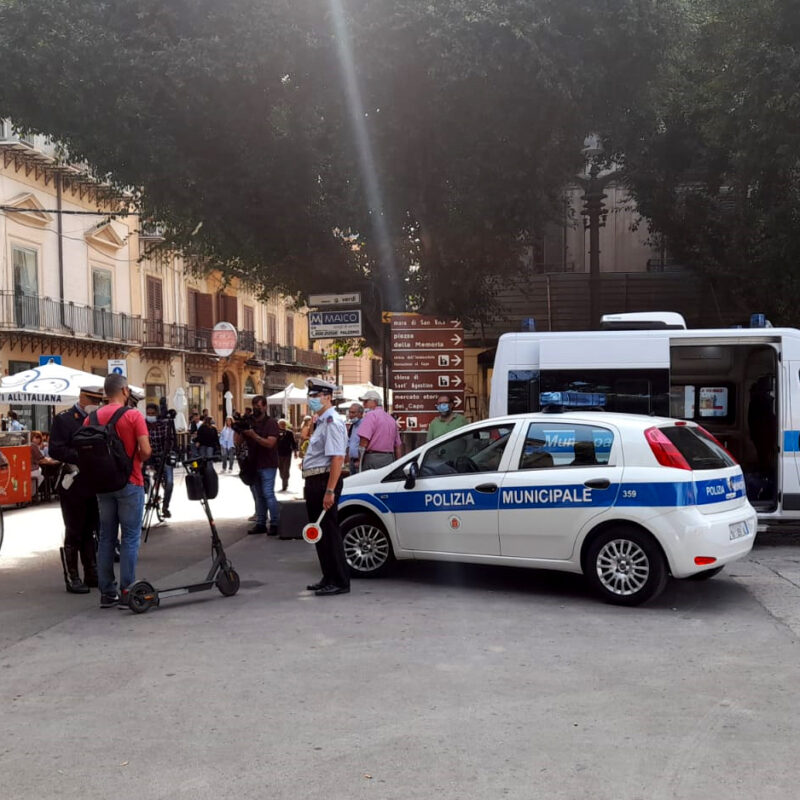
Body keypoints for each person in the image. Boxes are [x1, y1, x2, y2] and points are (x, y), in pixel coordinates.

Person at [88, 374, 152, 608]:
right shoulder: (133, 415)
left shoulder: (91, 417)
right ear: (125, 391)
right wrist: (138, 458)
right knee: (130, 537)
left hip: (103, 485)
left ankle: (107, 592)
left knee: (106, 537)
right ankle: (128, 591)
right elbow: (145, 450)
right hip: (130, 481)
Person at [48, 385, 105, 594]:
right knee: (74, 530)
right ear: (82, 398)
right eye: (92, 400)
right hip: (72, 480)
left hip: (91, 480)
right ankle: (72, 576)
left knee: (90, 528)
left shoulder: (97, 418)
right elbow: (55, 448)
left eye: (98, 401)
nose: (96, 404)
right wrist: (81, 456)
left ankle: (91, 572)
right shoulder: (64, 419)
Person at [302, 378, 349, 596]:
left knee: (329, 532)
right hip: (314, 480)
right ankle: (328, 576)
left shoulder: (332, 422)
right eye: (310, 396)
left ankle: (339, 580)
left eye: (315, 396)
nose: (311, 400)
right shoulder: (321, 421)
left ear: (328, 397)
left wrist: (330, 490)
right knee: (319, 533)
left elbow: (337, 458)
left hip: (323, 481)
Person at [236, 395, 280, 535]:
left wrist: (254, 435)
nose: (256, 409)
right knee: (259, 495)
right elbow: (237, 442)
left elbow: (270, 443)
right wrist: (240, 428)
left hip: (268, 464)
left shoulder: (271, 423)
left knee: (268, 494)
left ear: (265, 407)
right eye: (254, 406)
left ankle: (275, 523)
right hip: (254, 464)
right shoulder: (250, 422)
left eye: (259, 407)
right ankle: (261, 523)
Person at [144, 403, 176, 518]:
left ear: (157, 414)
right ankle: (153, 498)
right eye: (148, 413)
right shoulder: (143, 424)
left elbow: (170, 440)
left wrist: (166, 451)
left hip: (164, 457)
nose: (150, 416)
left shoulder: (163, 425)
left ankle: (165, 506)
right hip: (150, 458)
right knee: (150, 479)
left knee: (170, 482)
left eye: (152, 413)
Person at [357, 390, 402, 470]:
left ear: (374, 402)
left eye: (366, 402)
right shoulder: (391, 419)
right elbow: (398, 445)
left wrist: (360, 461)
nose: (363, 405)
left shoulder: (371, 415)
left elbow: (363, 441)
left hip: (372, 459)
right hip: (389, 459)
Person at [276, 419, 297, 492]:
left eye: (283, 424)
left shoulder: (289, 433)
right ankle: (283, 479)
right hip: (278, 453)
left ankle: (285, 483)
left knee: (286, 469)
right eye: (281, 424)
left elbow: (293, 443)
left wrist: (295, 452)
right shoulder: (276, 432)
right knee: (281, 468)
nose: (282, 425)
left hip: (287, 453)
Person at [346, 402, 364, 474]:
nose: (350, 415)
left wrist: (360, 460)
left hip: (359, 461)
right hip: (352, 461)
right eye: (350, 412)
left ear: (360, 413)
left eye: (353, 413)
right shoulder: (353, 426)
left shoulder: (364, 425)